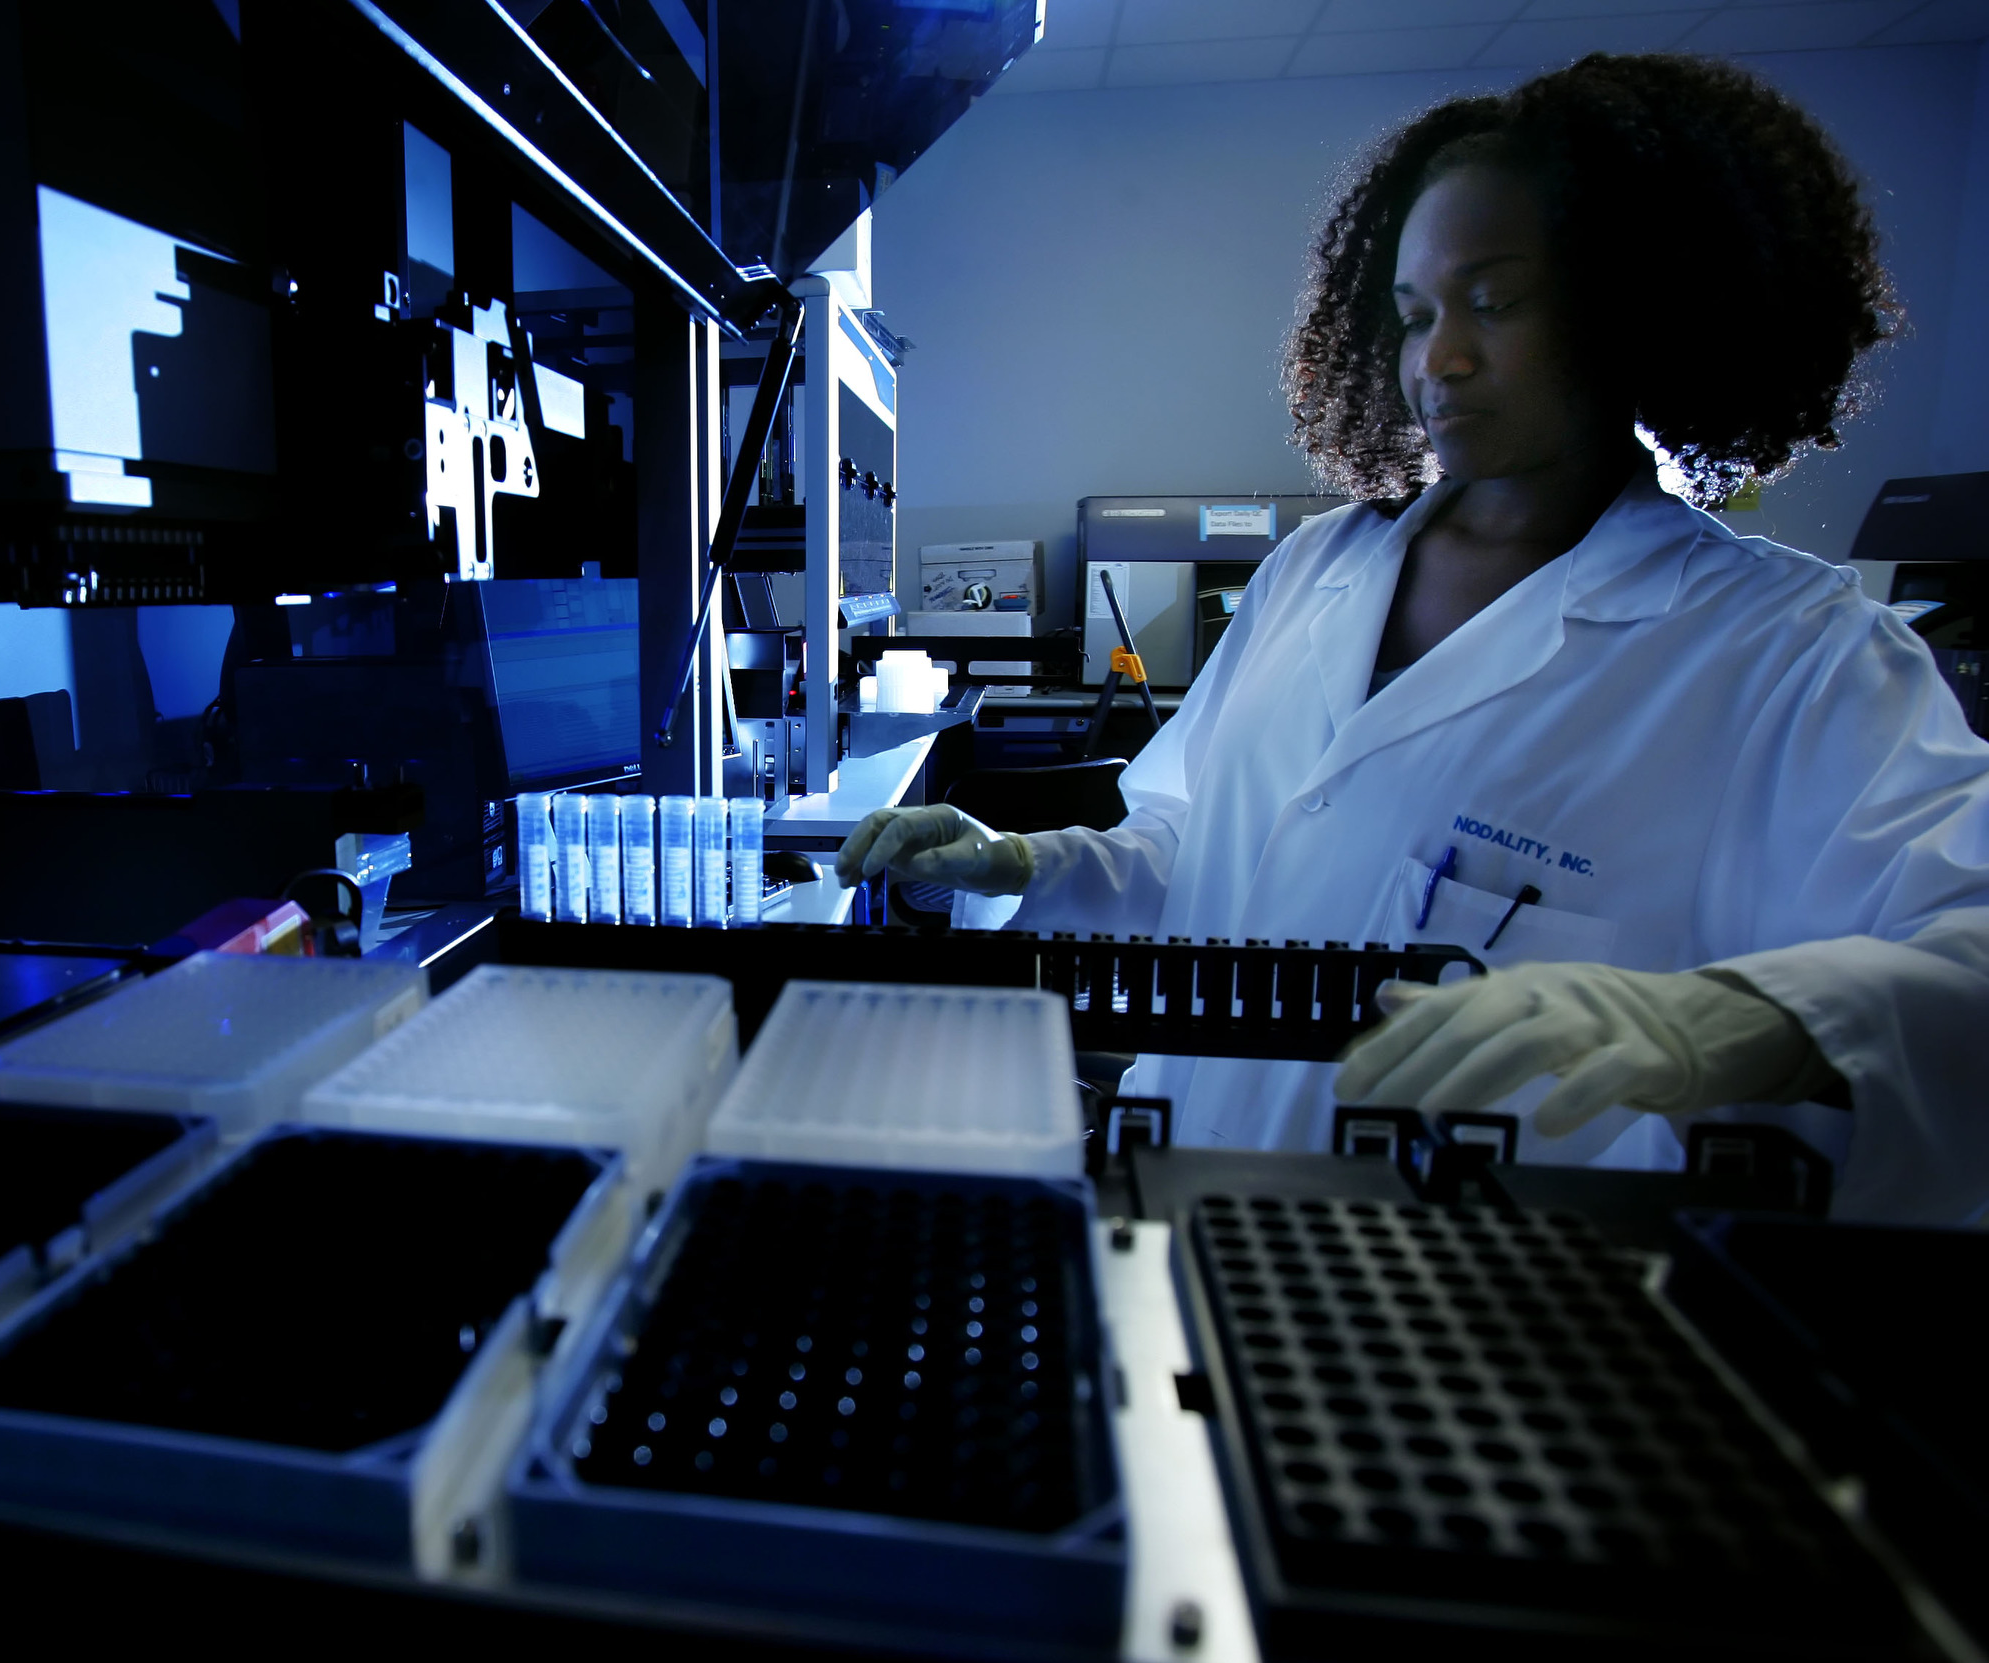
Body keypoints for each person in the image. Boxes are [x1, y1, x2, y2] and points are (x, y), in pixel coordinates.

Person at [839, 54, 1989, 1224]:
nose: (1437, 360)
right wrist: (1025, 862)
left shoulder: (1790, 653)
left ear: (1636, 304)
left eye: (1493, 304)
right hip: (1183, 1203)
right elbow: (1205, 854)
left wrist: (1743, 1018)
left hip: (1483, 1302)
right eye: (1414, 314)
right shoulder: (1313, 572)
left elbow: (1970, 948)